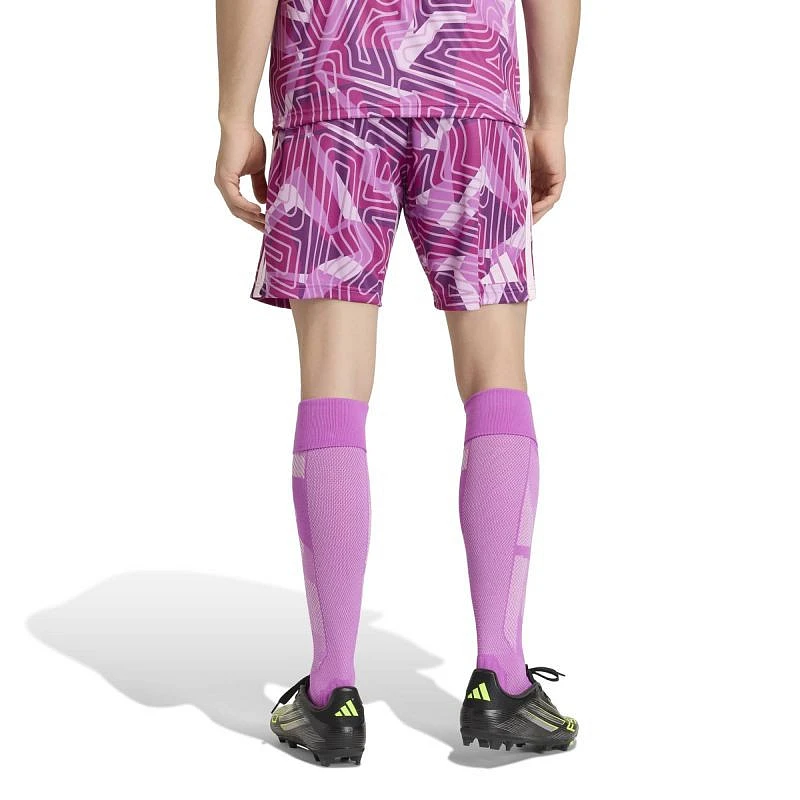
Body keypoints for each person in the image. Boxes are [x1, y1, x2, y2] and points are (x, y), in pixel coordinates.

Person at [215, 0, 580, 767]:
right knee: (495, 375)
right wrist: (549, 116)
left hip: (332, 86)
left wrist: (234, 114)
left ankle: (332, 694)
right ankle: (503, 677)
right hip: (472, 84)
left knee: (333, 384)